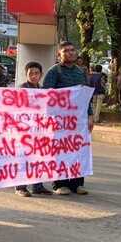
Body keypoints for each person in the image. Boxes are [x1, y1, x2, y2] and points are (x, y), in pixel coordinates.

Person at [41, 41, 94, 196]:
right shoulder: (54, 72)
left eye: (72, 50)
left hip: (79, 120)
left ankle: (77, 183)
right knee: (61, 151)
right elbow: (47, 95)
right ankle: (59, 184)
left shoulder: (80, 72)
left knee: (78, 150)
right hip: (60, 121)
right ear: (59, 54)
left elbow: (85, 97)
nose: (70, 53)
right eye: (66, 51)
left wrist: (90, 115)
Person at [15, 61, 53, 197]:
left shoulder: (43, 91)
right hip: (24, 131)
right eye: (31, 73)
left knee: (39, 158)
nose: (34, 76)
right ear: (26, 74)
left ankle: (38, 186)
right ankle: (20, 187)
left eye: (36, 73)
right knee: (24, 158)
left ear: (41, 75)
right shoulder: (21, 89)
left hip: (40, 131)